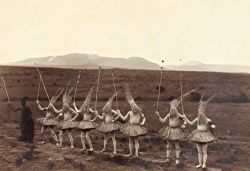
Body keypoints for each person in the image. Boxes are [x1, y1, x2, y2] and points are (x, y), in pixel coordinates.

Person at [155, 89, 196, 165]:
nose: (172, 108)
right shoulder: (169, 114)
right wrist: (158, 116)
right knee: (168, 144)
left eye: (174, 106)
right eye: (171, 106)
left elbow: (184, 119)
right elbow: (162, 121)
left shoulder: (178, 114)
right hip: (170, 130)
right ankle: (167, 159)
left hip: (176, 130)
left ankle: (177, 160)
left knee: (177, 144)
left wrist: (184, 124)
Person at [183, 94, 216, 169]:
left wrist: (212, 126)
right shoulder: (197, 118)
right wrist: (185, 118)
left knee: (204, 151)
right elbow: (191, 123)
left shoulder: (207, 119)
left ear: (204, 112)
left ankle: (204, 164)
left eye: (201, 111)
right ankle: (200, 164)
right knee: (199, 151)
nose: (200, 113)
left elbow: (212, 125)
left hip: (204, 136)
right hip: (197, 135)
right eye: (199, 111)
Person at [116, 87, 147, 158]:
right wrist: (119, 113)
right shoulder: (130, 112)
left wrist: (143, 122)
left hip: (136, 127)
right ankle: (131, 153)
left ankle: (136, 154)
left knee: (136, 140)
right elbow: (124, 118)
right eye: (131, 107)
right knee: (130, 140)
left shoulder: (139, 112)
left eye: (133, 107)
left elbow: (144, 117)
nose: (132, 108)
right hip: (130, 126)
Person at [72, 87, 97, 151]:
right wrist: (74, 106)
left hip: (88, 123)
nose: (85, 103)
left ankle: (91, 147)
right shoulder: (83, 108)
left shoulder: (89, 109)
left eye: (87, 103)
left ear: (88, 103)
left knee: (87, 136)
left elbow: (94, 113)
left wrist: (95, 114)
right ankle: (84, 147)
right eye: (85, 102)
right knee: (82, 136)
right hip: (83, 123)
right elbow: (78, 111)